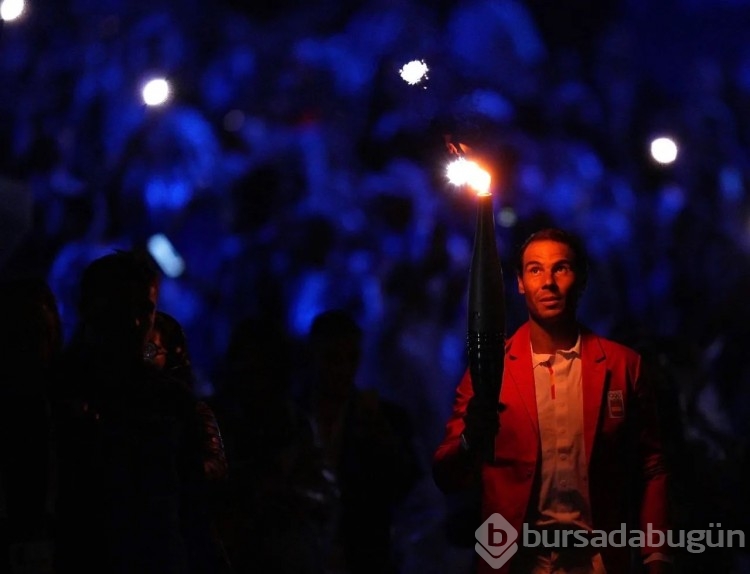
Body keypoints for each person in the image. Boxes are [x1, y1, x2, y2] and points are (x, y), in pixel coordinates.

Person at [433, 228, 671, 574]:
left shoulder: (623, 366)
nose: (548, 282)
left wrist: (656, 555)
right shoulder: (489, 372)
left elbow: (651, 466)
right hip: (513, 562)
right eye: (535, 270)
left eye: (561, 268)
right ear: (519, 283)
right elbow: (447, 475)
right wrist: (472, 439)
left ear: (582, 279)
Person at [50, 250, 210, 574]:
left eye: (145, 309)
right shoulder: (57, 393)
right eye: (123, 307)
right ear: (92, 309)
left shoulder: (171, 400)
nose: (137, 322)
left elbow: (196, 508)